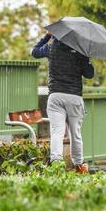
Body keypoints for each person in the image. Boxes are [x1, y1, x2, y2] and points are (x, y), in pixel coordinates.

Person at [32, 30, 94, 173]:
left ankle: (56, 164)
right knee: (75, 133)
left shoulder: (51, 47)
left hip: (56, 96)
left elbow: (35, 52)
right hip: (74, 97)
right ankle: (79, 166)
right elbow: (89, 74)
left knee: (57, 132)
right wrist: (87, 57)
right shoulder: (80, 50)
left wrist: (48, 36)